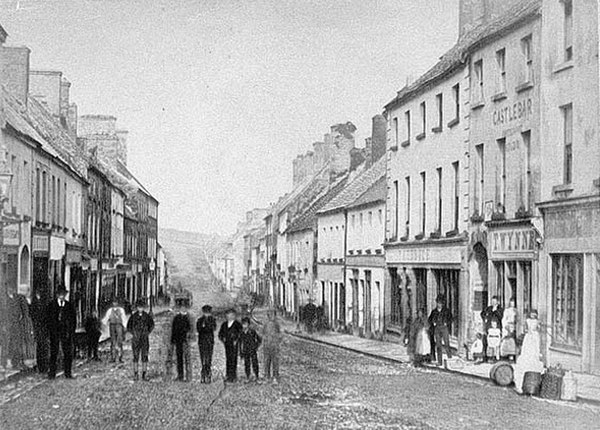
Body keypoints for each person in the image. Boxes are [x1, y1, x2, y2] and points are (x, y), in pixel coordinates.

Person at [46, 287, 76, 379]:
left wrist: (71, 331)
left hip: (66, 332)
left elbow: (73, 320)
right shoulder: (51, 305)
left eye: (64, 294)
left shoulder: (69, 306)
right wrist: (50, 331)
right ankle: (52, 373)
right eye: (61, 294)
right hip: (54, 332)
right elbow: (47, 319)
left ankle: (68, 373)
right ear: (57, 295)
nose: (62, 296)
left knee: (67, 353)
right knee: (54, 353)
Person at [513, 310, 544, 394]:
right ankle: (523, 385)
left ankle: (530, 385)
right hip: (530, 341)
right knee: (527, 360)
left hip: (533, 341)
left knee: (532, 359)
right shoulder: (530, 325)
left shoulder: (535, 332)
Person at [127, 299, 155, 380]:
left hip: (144, 339)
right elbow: (129, 327)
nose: (140, 309)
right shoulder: (133, 317)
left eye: (142, 307)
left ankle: (144, 374)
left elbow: (152, 325)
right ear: (137, 308)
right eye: (139, 307)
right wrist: (134, 333)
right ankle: (135, 374)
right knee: (135, 356)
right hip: (135, 339)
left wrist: (147, 332)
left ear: (143, 308)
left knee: (145, 356)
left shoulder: (147, 316)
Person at [7, 290, 35, 370]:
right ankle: (12, 361)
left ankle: (19, 362)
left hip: (20, 325)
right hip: (13, 325)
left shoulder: (20, 298)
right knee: (14, 343)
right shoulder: (13, 299)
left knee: (20, 344)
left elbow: (26, 312)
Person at [171, 300, 193, 382]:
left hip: (185, 340)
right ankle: (180, 376)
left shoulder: (189, 318)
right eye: (181, 308)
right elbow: (174, 329)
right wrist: (173, 340)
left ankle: (188, 377)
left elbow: (191, 330)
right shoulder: (176, 318)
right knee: (179, 358)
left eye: (184, 308)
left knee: (187, 359)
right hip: (178, 340)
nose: (183, 309)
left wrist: (189, 338)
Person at [218, 308, 242, 383]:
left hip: (234, 344)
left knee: (233, 359)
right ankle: (228, 375)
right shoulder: (224, 324)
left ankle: (233, 376)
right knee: (228, 359)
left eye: (231, 315)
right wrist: (223, 339)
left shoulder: (237, 324)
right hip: (227, 344)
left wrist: (236, 340)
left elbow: (240, 334)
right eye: (228, 315)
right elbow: (220, 334)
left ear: (234, 315)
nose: (229, 316)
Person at [428, 295, 453, 367]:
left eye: (440, 303)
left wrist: (447, 323)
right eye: (438, 303)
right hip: (437, 329)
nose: (439, 304)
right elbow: (429, 319)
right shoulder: (434, 311)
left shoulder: (446, 311)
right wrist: (433, 322)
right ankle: (439, 361)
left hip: (444, 328)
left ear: (442, 303)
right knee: (438, 345)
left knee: (446, 344)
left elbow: (451, 318)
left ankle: (450, 360)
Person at [29, 291, 49, 373]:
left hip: (43, 329)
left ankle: (43, 366)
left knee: (43, 348)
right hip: (38, 329)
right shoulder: (34, 304)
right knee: (40, 348)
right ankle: (40, 365)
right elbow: (32, 316)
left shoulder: (44, 304)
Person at [197, 304, 217, 383]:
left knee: (209, 358)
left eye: (208, 312)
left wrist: (205, 326)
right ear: (203, 312)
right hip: (202, 341)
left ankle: (208, 373)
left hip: (209, 341)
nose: (207, 314)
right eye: (205, 312)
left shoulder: (212, 320)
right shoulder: (200, 320)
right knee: (203, 358)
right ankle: (203, 373)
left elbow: (213, 328)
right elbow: (198, 329)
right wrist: (204, 327)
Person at [480, 295, 504, 362]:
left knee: (496, 342)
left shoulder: (500, 309)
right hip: (488, 327)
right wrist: (485, 318)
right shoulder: (489, 308)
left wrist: (495, 310)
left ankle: (495, 357)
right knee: (486, 341)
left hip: (496, 327)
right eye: (492, 301)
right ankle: (485, 356)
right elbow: (482, 313)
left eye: (495, 301)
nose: (493, 303)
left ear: (498, 302)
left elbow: (500, 316)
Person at [261, 309, 282, 383]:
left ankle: (275, 376)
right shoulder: (265, 324)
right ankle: (267, 375)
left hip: (274, 345)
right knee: (267, 361)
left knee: (275, 361)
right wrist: (265, 341)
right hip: (267, 345)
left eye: (273, 315)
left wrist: (277, 341)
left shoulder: (277, 324)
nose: (271, 316)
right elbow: (263, 334)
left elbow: (279, 334)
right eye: (270, 315)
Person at [104, 298, 127, 363]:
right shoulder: (109, 310)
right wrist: (103, 325)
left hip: (119, 326)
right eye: (114, 302)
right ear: (112, 303)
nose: (115, 303)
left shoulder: (121, 310)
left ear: (118, 303)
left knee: (119, 341)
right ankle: (113, 357)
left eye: (116, 302)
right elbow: (106, 318)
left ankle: (120, 357)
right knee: (113, 341)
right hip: (112, 326)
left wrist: (124, 327)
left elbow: (124, 319)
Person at [239, 317, 262, 381]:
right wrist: (241, 352)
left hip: (252, 350)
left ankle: (257, 376)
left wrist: (256, 346)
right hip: (245, 350)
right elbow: (240, 343)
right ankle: (248, 376)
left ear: (248, 324)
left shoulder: (252, 331)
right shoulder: (241, 333)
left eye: (245, 324)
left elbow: (259, 339)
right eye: (243, 324)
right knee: (247, 364)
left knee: (255, 363)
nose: (244, 325)